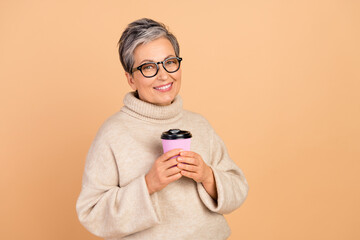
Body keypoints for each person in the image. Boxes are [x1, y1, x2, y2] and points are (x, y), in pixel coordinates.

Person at [76, 18, 249, 240]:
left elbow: (238, 189)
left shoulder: (200, 124)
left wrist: (208, 176)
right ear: (130, 79)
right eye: (148, 67)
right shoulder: (113, 133)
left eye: (170, 62)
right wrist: (148, 184)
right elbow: (92, 214)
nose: (164, 75)